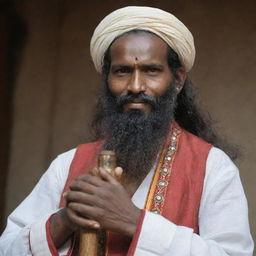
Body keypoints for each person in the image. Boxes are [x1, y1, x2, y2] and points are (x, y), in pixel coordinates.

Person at [0, 6, 254, 256]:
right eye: (122, 71)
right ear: (107, 80)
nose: (134, 86)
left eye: (151, 71)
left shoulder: (212, 167)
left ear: (177, 79)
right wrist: (63, 221)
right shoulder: (66, 165)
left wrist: (134, 221)